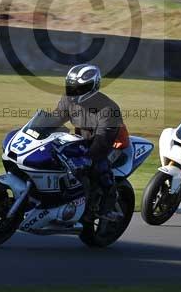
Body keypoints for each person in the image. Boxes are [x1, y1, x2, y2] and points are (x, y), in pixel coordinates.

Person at [46, 64, 124, 221]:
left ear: (93, 86)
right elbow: (55, 119)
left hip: (112, 144)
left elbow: (102, 144)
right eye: (71, 86)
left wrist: (86, 159)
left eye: (79, 88)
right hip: (84, 140)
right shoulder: (69, 100)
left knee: (97, 167)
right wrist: (38, 131)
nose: (73, 91)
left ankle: (105, 208)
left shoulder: (108, 109)